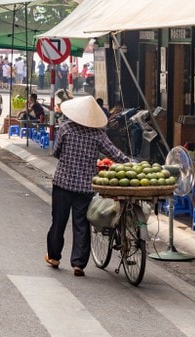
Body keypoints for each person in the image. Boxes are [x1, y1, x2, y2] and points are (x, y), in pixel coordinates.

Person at [46, 95, 132, 277]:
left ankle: (54, 257)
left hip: (62, 184)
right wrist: (131, 163)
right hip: (85, 188)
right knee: (81, 225)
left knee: (58, 222)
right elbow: (114, 153)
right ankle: (78, 264)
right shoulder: (98, 135)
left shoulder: (66, 129)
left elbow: (55, 153)